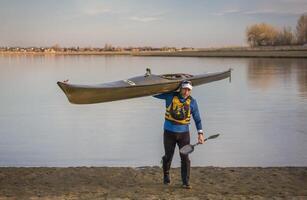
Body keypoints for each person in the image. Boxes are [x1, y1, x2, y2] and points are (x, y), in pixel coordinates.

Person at [153, 80, 204, 189]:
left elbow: (197, 119)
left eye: (189, 90)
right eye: (185, 89)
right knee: (168, 156)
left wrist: (200, 134)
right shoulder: (170, 96)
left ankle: (185, 182)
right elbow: (154, 94)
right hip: (169, 133)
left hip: (184, 135)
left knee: (185, 157)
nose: (186, 92)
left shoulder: (193, 102)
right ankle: (166, 175)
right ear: (180, 88)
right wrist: (147, 88)